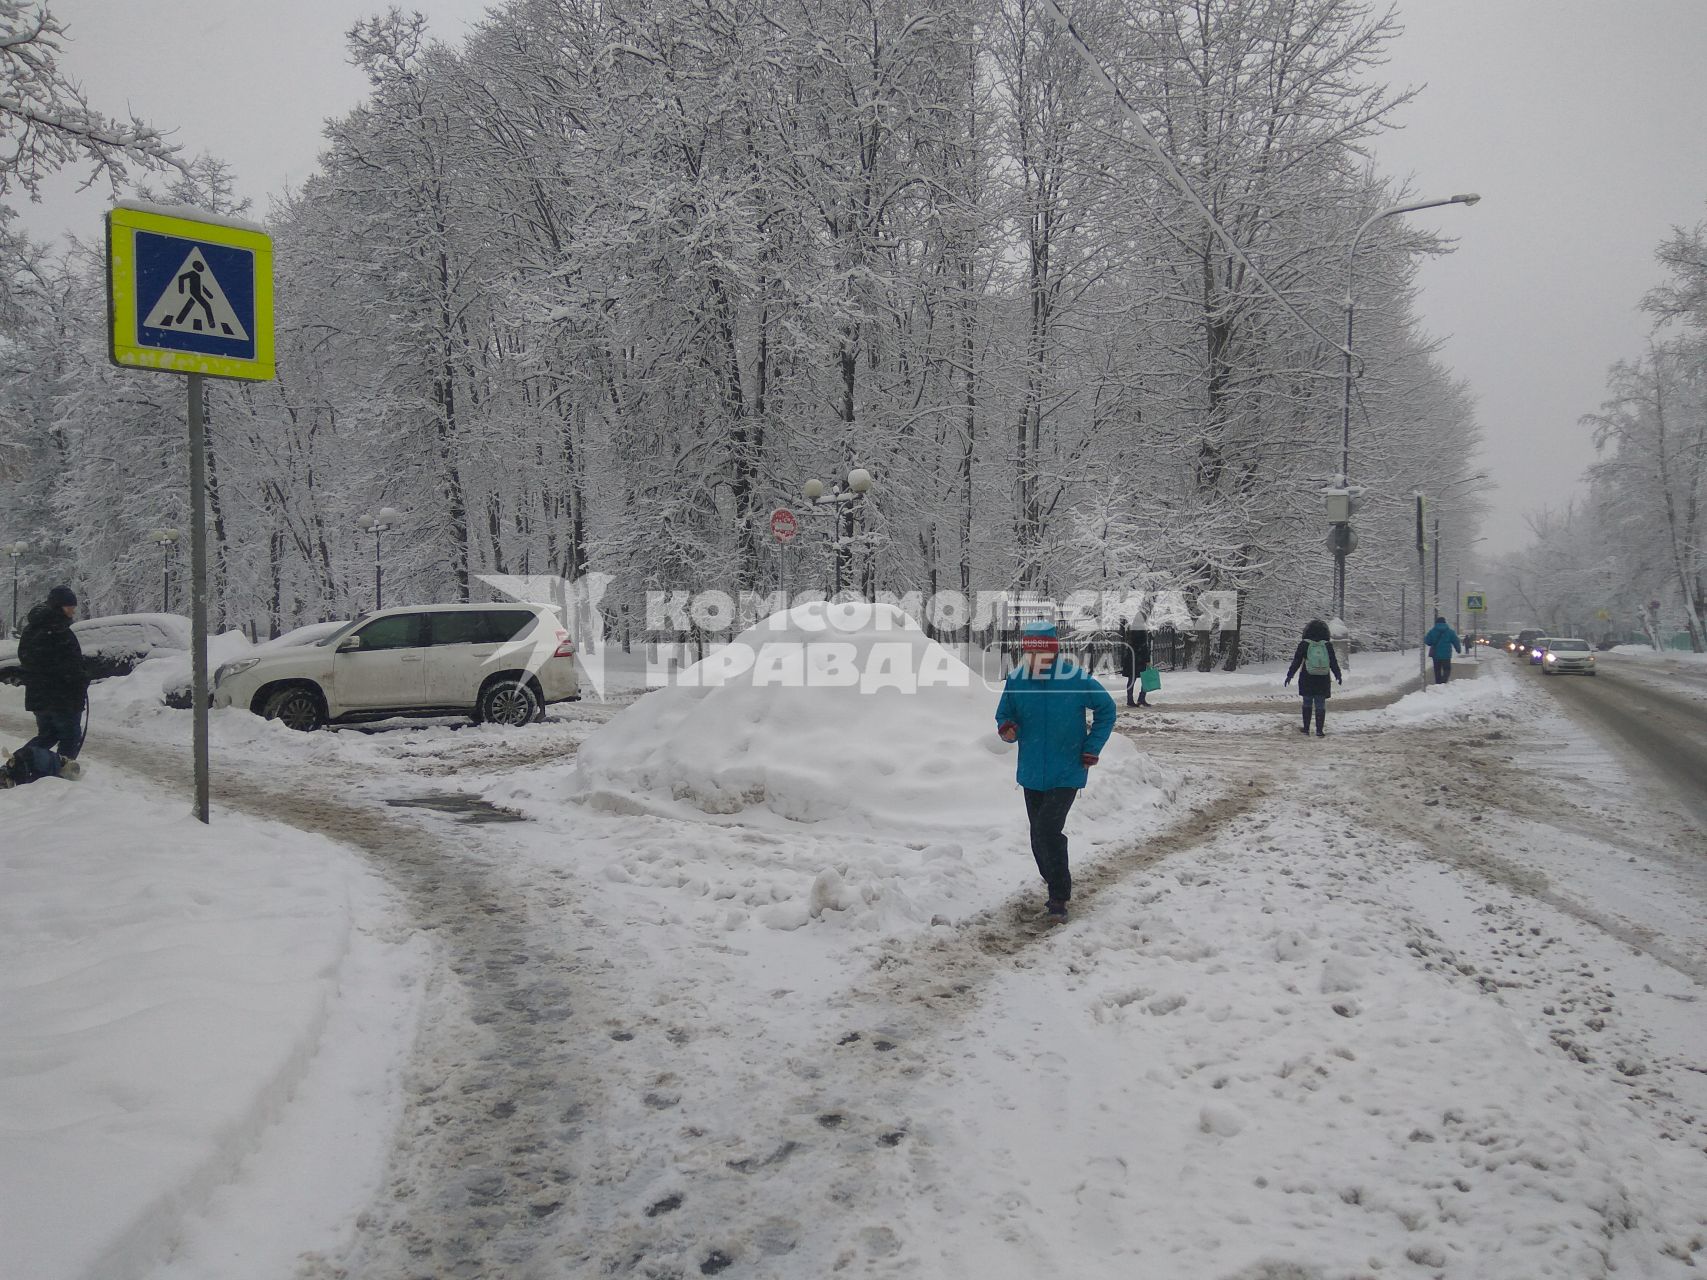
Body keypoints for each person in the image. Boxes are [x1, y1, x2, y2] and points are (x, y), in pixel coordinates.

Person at [995, 620, 1116, 923]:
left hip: (1067, 769)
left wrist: (1092, 747)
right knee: (1038, 836)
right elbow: (1005, 713)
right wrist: (1008, 729)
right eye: (1031, 655)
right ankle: (1054, 883)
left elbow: (1106, 710)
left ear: (1053, 652)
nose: (1036, 661)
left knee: (1048, 830)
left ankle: (1059, 896)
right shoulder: (1017, 680)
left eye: (1042, 655)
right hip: (1032, 771)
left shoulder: (1074, 679)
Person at [18, 585, 88, 761]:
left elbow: (27, 659)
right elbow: (66, 664)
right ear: (58, 606)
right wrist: (78, 677)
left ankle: (17, 764)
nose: (72, 610)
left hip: (40, 696)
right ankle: (63, 772)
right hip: (62, 696)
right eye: (69, 606)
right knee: (70, 737)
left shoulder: (32, 629)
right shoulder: (58, 630)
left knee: (47, 736)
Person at [1283, 618, 1342, 737]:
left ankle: (1306, 728)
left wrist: (1290, 675)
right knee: (1320, 703)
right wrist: (1338, 674)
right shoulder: (1327, 645)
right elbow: (1333, 662)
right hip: (1323, 679)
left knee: (1307, 702)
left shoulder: (1304, 644)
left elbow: (1297, 661)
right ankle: (1319, 730)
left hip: (1307, 677)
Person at [1116, 617, 1152, 707]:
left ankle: (1130, 700)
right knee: (1145, 679)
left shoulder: (1131, 630)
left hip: (1131, 659)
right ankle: (1141, 699)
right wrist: (1147, 660)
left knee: (1131, 680)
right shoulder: (1142, 631)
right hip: (1140, 660)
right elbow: (1144, 647)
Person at [1423, 615, 1462, 684]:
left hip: (1436, 655)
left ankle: (1438, 683)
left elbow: (1427, 641)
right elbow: (1456, 641)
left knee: (1437, 670)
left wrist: (1432, 642)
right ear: (1445, 623)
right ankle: (1444, 681)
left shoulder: (1432, 631)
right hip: (1446, 654)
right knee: (1447, 669)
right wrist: (1458, 649)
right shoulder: (1450, 632)